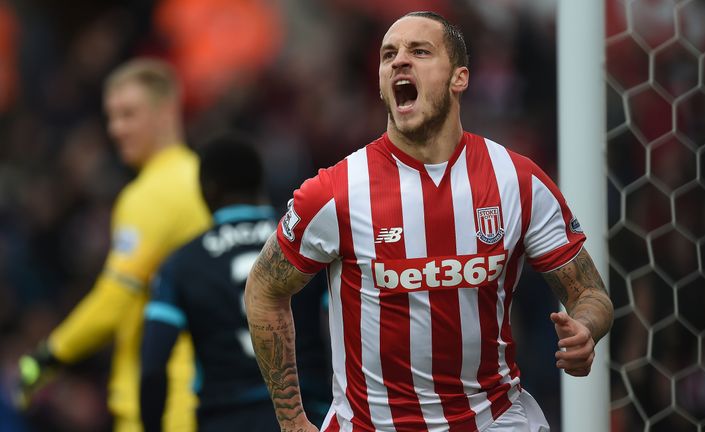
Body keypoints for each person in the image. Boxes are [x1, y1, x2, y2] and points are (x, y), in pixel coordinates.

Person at [245, 10, 614, 432]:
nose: (399, 61)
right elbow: (264, 289)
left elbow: (590, 293)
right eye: (389, 55)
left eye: (420, 51)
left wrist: (584, 329)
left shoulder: (517, 180)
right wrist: (292, 421)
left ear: (460, 78)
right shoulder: (336, 191)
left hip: (495, 421)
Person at [15, 58, 210, 431]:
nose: (116, 128)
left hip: (161, 402)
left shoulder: (149, 195)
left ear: (167, 109)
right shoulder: (205, 179)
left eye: (128, 114)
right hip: (204, 390)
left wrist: (49, 355)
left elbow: (115, 297)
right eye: (111, 116)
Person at [139, 134, 331, 432]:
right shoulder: (305, 243)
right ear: (260, 183)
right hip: (307, 416)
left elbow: (153, 368)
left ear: (207, 190)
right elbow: (345, 325)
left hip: (225, 419)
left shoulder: (181, 264)